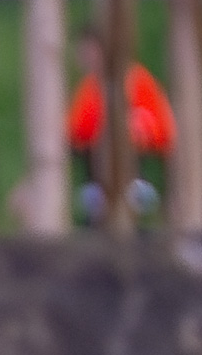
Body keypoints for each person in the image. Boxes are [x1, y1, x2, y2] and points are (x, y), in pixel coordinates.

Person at [66, 29, 175, 225]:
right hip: (95, 179)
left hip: (134, 177)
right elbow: (72, 138)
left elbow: (163, 137)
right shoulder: (89, 89)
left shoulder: (137, 81)